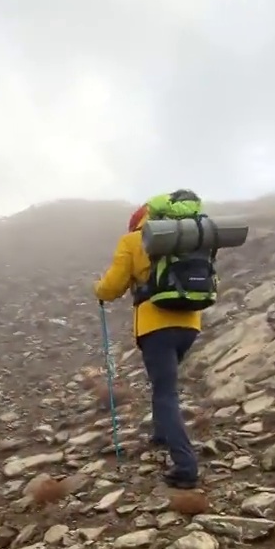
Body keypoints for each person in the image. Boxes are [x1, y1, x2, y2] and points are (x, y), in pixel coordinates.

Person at [94, 194, 202, 489]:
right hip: (189, 322)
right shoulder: (189, 237)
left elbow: (113, 286)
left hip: (156, 325)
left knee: (165, 393)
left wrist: (98, 290)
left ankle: (186, 466)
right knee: (163, 385)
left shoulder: (132, 241)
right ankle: (161, 434)